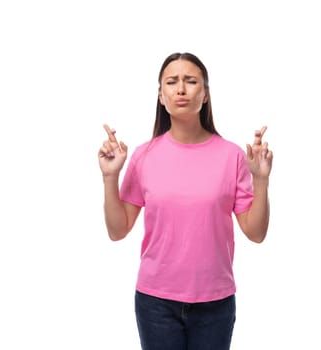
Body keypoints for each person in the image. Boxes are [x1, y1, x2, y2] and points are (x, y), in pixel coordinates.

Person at [98, 52, 273, 350]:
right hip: (156, 303)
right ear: (161, 95)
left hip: (215, 303)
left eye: (191, 81)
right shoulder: (144, 156)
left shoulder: (231, 157)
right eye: (172, 82)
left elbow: (255, 233)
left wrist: (261, 180)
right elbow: (118, 230)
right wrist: (109, 178)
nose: (181, 89)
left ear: (205, 94)